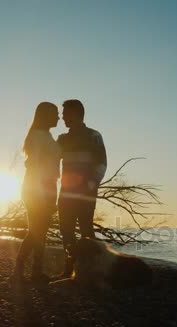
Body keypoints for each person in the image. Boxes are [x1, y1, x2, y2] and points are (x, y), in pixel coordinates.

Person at [10, 102, 61, 284]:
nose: (59, 117)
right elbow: (35, 165)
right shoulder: (39, 136)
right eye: (55, 114)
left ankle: (32, 272)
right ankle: (24, 271)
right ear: (45, 114)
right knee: (37, 231)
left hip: (47, 185)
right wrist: (41, 193)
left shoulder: (46, 135)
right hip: (37, 186)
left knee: (39, 231)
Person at [57, 99, 107, 278]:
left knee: (86, 230)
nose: (63, 117)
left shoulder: (94, 136)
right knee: (66, 230)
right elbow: (53, 161)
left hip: (86, 193)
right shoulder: (62, 139)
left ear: (76, 114)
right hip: (65, 193)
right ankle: (69, 269)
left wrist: (91, 184)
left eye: (65, 114)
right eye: (62, 115)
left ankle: (93, 269)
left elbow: (102, 163)